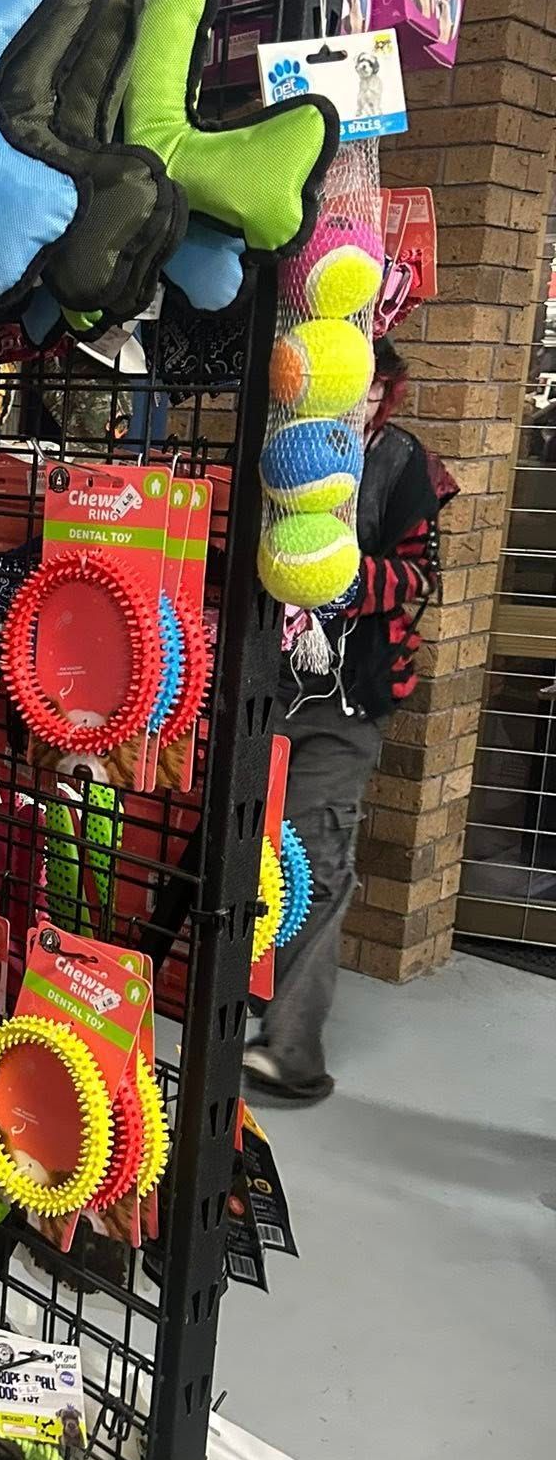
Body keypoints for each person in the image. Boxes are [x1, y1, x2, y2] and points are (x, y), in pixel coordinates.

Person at [244, 338, 453, 1104]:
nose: (354, 406)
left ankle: (292, 1056)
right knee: (250, 850)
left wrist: (338, 579)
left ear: (384, 394)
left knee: (316, 858)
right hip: (267, 691)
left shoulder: (402, 465)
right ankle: (239, 994)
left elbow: (419, 576)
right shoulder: (281, 455)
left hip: (345, 701)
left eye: (367, 392)